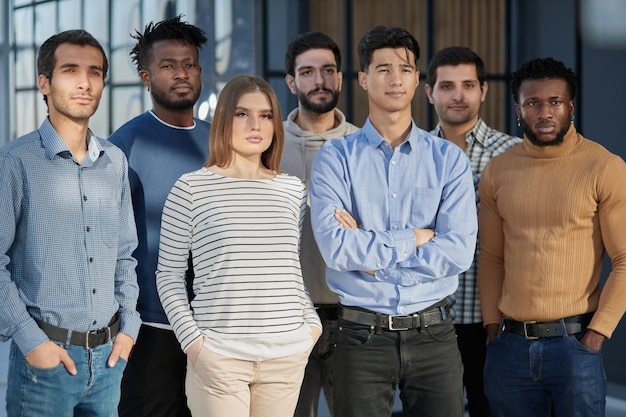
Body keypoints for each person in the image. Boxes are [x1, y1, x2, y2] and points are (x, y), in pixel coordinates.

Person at [310, 26, 477, 417]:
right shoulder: (336, 158)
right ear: (364, 79)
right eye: (383, 69)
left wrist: (371, 257)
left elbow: (457, 252)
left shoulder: (448, 159)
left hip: (434, 334)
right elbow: (337, 249)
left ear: (418, 80)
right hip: (359, 336)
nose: (395, 78)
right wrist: (416, 237)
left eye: (404, 69)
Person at [156, 74, 322, 417]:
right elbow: (169, 276)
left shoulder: (292, 190)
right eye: (242, 113)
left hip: (287, 355)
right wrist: (195, 344)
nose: (255, 124)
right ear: (223, 119)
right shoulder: (190, 189)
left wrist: (311, 326)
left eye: (264, 115)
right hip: (220, 358)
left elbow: (288, 270)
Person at [0, 29, 140, 417]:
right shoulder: (15, 162)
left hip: (110, 362)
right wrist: (31, 342)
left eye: (95, 72)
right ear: (44, 83)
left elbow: (125, 256)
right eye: (70, 70)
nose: (84, 82)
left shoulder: (115, 161)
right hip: (45, 364)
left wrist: (129, 328)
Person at [477, 57, 626, 417]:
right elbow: (492, 258)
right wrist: (493, 329)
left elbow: (623, 259)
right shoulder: (498, 170)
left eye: (555, 102)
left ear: (570, 107)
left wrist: (597, 335)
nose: (545, 112)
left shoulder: (603, 166)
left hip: (574, 345)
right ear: (518, 110)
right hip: (509, 347)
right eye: (533, 103)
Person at [107, 15, 209, 417]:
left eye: (189, 64)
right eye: (168, 66)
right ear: (147, 76)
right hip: (151, 330)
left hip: (215, 328)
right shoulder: (123, 146)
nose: (181, 73)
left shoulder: (221, 140)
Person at [424, 46, 522, 417]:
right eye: (446, 86)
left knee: (492, 410)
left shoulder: (513, 154)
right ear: (430, 92)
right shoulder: (414, 155)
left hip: (496, 321)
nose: (458, 95)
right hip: (433, 318)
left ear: (484, 90)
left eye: (467, 84)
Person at [282, 31, 359, 417]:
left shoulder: (365, 146)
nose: (320, 81)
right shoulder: (267, 145)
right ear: (292, 82)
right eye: (308, 72)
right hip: (287, 317)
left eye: (328, 70)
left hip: (353, 316)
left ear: (341, 79)